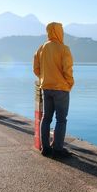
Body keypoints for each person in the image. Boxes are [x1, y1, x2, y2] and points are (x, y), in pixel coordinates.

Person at [33, 22, 74, 157]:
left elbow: (36, 68)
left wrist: (44, 78)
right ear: (59, 32)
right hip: (61, 89)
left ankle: (45, 148)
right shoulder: (63, 49)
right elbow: (67, 70)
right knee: (61, 119)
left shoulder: (41, 48)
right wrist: (69, 83)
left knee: (46, 118)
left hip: (46, 87)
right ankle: (57, 149)